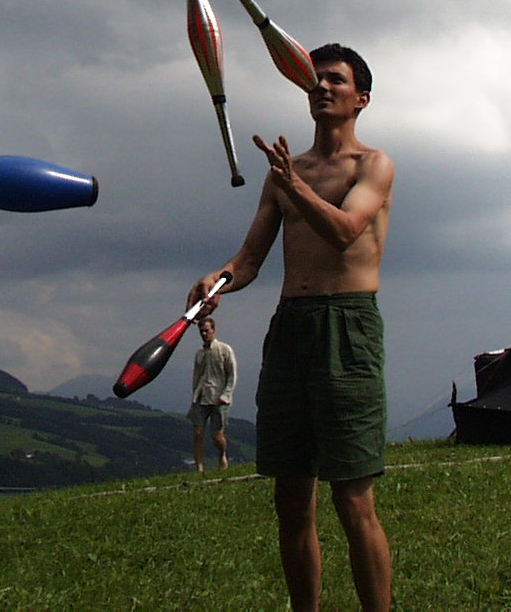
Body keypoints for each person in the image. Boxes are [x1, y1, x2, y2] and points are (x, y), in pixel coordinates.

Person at [188, 43, 395, 612]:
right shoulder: (287, 172)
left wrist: (292, 184)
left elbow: (346, 231)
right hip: (291, 328)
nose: (321, 87)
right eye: (314, 79)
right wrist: (217, 280)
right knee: (291, 496)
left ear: (362, 98)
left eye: (335, 80)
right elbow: (250, 259)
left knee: (353, 498)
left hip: (347, 326)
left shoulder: (372, 165)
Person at [189, 316, 236, 473]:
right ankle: (199, 468)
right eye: (201, 331)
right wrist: (194, 396)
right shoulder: (199, 353)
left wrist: (226, 395)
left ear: (213, 330)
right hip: (201, 397)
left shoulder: (224, 350)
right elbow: (196, 376)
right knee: (198, 433)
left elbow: (232, 374)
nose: (204, 334)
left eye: (206, 331)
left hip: (220, 398)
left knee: (217, 436)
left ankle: (222, 454)